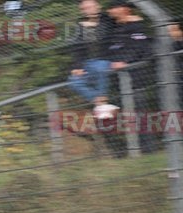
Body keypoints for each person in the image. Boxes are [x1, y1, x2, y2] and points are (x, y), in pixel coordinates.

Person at [106, 0, 158, 153]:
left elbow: (140, 48)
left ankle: (148, 148)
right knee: (123, 113)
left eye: (114, 7)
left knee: (139, 111)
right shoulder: (117, 27)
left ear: (125, 9)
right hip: (118, 78)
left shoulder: (136, 25)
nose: (111, 11)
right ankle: (130, 149)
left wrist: (125, 61)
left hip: (135, 76)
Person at [68, 0, 118, 118]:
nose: (88, 10)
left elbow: (104, 37)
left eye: (91, 7)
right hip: (87, 63)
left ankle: (102, 104)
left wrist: (93, 26)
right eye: (85, 8)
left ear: (98, 7)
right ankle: (100, 104)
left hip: (105, 58)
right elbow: (77, 48)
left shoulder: (108, 20)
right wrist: (77, 67)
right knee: (74, 81)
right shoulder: (80, 25)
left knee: (100, 68)